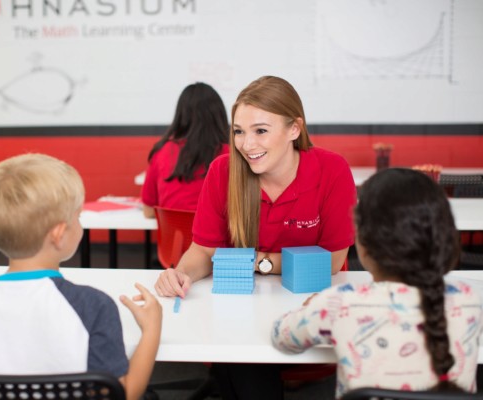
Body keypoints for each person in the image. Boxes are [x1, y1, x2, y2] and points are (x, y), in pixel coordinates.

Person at [154, 75, 357, 399]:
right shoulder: (223, 171)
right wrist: (181, 273)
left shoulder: (332, 169)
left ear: (294, 129)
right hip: (244, 308)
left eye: (260, 130)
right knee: (240, 357)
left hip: (307, 302)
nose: (247, 144)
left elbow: (332, 261)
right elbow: (203, 250)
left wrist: (257, 263)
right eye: (238, 131)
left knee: (240, 368)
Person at [0, 153, 162, 400]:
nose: (80, 224)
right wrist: (151, 329)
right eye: (78, 217)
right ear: (59, 234)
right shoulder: (93, 305)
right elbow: (124, 394)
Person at [272, 168, 483, 398]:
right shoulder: (469, 300)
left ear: (362, 242)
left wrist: (315, 306)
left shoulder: (339, 304)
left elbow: (281, 338)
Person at [141, 82, 229, 218]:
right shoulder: (230, 155)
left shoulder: (162, 151)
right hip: (214, 232)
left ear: (180, 115)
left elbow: (148, 211)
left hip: (174, 232)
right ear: (219, 115)